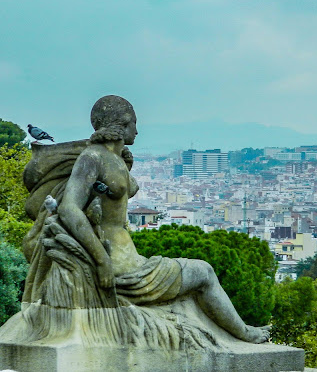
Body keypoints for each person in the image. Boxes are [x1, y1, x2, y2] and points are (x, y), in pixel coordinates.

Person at [54, 95, 268, 344]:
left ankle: (238, 332)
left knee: (201, 272)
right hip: (121, 266)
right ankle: (243, 334)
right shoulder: (93, 157)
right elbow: (69, 208)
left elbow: (113, 195)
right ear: (122, 125)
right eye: (134, 123)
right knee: (205, 273)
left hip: (128, 259)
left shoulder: (114, 158)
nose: (138, 129)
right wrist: (102, 260)